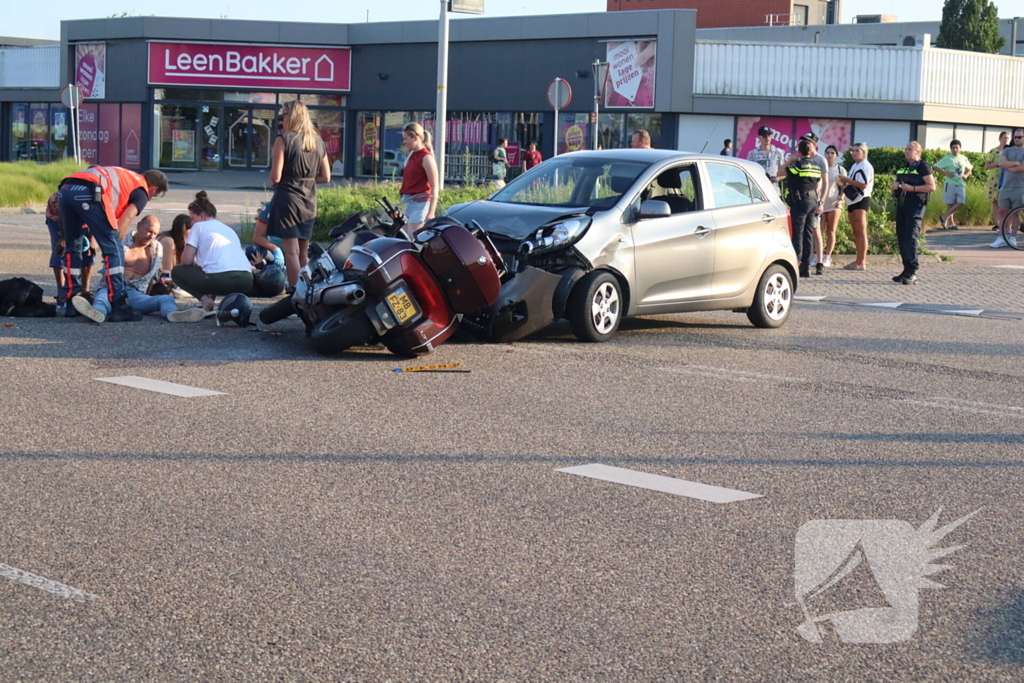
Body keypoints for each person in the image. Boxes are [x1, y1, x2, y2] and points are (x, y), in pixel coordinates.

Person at [56, 166, 168, 320]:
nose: (150, 198)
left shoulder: (127, 176)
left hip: (66, 188)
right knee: (114, 250)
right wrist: (117, 244)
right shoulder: (141, 190)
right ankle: (118, 305)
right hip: (90, 191)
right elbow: (126, 219)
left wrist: (64, 235)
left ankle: (71, 301)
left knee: (73, 247)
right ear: (154, 188)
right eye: (154, 195)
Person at [71, 216, 205, 324]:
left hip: (135, 294)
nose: (151, 236)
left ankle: (173, 314)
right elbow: (107, 270)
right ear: (139, 226)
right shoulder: (121, 242)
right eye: (149, 231)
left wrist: (148, 296)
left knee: (166, 299)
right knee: (102, 298)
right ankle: (97, 313)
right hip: (112, 288)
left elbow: (152, 278)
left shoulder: (157, 248)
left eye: (154, 233)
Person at [267, 99, 330, 290]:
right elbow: (326, 176)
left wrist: (278, 180)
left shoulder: (283, 139)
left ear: (291, 116)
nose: (281, 119)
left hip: (288, 198)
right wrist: (307, 180)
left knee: (291, 253)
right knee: (303, 253)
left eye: (283, 115)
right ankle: (309, 291)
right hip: (309, 200)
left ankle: (296, 293)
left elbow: (275, 177)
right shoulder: (317, 141)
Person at [171, 192, 254, 312]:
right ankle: (234, 303)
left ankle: (205, 299)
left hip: (220, 280)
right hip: (246, 279)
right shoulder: (228, 229)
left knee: (178, 271)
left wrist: (195, 263)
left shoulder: (199, 227)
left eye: (193, 218)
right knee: (209, 271)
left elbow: (186, 260)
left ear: (202, 216)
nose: (192, 223)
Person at [890, 142, 936, 285]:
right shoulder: (903, 167)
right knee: (902, 236)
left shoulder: (922, 166)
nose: (906, 151)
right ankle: (906, 269)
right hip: (902, 204)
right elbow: (895, 184)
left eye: (910, 149)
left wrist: (912, 188)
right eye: (905, 149)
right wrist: (894, 187)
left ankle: (913, 270)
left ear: (917, 152)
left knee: (911, 236)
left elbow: (931, 186)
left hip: (915, 205)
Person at [780, 138, 823, 279]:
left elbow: (781, 172)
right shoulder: (817, 167)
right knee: (808, 235)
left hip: (800, 201)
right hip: (813, 201)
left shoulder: (797, 165)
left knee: (797, 234)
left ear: (799, 152)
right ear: (810, 151)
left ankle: (796, 265)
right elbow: (817, 184)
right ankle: (806, 268)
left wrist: (790, 161)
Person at [45, 190, 95, 307]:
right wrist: (64, 237)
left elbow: (98, 219)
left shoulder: (98, 196)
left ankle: (85, 291)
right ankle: (62, 293)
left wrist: (91, 238)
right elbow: (63, 216)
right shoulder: (61, 198)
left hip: (85, 217)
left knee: (88, 250)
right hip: (58, 218)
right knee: (61, 250)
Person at [837, 142, 874, 270]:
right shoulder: (854, 165)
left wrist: (846, 180)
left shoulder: (866, 166)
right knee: (856, 231)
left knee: (861, 231)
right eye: (853, 150)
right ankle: (858, 260)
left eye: (857, 150)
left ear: (864, 152)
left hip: (861, 199)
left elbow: (863, 185)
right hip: (852, 200)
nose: (854, 153)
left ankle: (861, 261)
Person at [796, 133, 828, 273]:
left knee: (816, 231)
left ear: (814, 144)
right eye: (803, 141)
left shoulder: (821, 160)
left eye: (807, 141)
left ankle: (820, 262)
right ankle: (804, 262)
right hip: (805, 199)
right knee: (805, 231)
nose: (805, 143)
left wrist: (821, 202)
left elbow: (825, 183)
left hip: (815, 200)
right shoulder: (801, 158)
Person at [400, 122, 439, 231]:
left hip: (419, 203)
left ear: (415, 138)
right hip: (406, 201)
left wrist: (431, 212)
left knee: (413, 239)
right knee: (403, 238)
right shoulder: (412, 155)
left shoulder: (426, 158)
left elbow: (434, 186)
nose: (404, 142)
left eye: (406, 138)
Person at [994, 127, 1024, 249]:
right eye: (1015, 137)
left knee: (1016, 213)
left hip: (1020, 187)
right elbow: (1001, 163)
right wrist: (1015, 163)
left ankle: (1013, 237)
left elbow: (1021, 168)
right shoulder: (1007, 151)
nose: (1016, 139)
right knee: (1002, 211)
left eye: (1019, 137)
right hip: (1006, 186)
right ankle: (1001, 237)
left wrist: (1010, 166)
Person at [934, 139, 972, 230]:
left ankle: (944, 217)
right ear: (950, 149)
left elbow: (970, 167)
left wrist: (966, 174)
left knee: (961, 202)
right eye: (953, 148)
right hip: (950, 183)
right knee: (950, 203)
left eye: (957, 148)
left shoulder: (963, 158)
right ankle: (951, 224)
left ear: (960, 148)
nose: (955, 150)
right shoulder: (948, 158)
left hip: (960, 183)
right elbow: (935, 166)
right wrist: (946, 173)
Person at [154, 213, 191, 297]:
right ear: (184, 230)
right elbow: (167, 273)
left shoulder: (181, 243)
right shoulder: (167, 241)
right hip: (159, 280)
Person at [820, 145, 845, 268]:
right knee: (819, 231)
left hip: (834, 204)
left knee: (831, 230)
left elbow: (843, 187)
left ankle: (827, 256)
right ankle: (818, 255)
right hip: (821, 204)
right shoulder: (821, 168)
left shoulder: (840, 170)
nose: (830, 155)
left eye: (832, 153)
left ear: (836, 155)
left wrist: (840, 199)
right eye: (827, 153)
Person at [984, 131, 1010, 232]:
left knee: (1005, 203)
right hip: (994, 179)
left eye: (1007, 138)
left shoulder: (1010, 151)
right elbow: (986, 166)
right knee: (995, 202)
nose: (1006, 140)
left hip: (1006, 179)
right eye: (1004, 138)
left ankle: (1007, 224)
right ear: (1000, 139)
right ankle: (997, 224)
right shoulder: (994, 151)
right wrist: (998, 164)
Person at [747, 126, 785, 192]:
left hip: (774, 190)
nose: (767, 138)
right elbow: (748, 173)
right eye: (764, 136)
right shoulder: (752, 154)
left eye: (769, 135)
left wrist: (777, 178)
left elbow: (784, 172)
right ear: (759, 137)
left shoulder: (778, 152)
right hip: (758, 190)